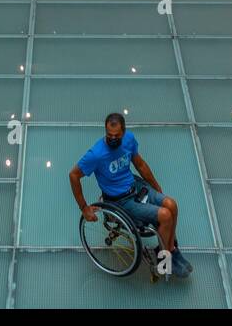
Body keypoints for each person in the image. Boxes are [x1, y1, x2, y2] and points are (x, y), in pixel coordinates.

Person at [70, 113, 193, 278]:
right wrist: (84, 207)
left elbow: (140, 165)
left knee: (171, 204)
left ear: (124, 132)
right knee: (164, 215)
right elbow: (73, 175)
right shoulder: (96, 154)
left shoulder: (128, 140)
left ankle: (168, 249)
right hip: (120, 201)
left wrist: (156, 188)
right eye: (109, 135)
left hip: (135, 186)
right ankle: (166, 260)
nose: (113, 139)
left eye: (117, 135)